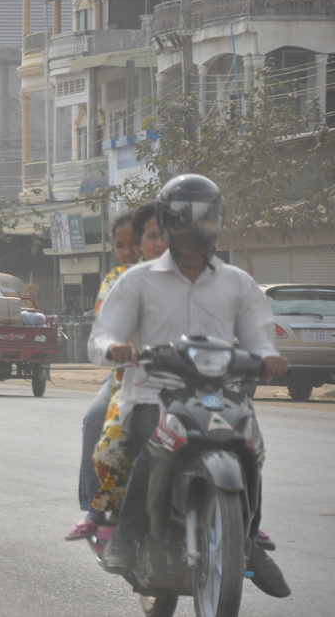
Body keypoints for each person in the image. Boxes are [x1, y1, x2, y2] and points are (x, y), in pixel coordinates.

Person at [88, 174, 290, 598]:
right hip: (150, 393)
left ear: (216, 222)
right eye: (186, 217)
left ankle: (247, 542)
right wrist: (116, 349)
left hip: (220, 394)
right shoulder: (137, 281)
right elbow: (100, 338)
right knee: (158, 442)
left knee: (252, 443)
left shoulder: (237, 282)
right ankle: (127, 536)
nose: (196, 225)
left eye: (205, 216)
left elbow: (258, 338)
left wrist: (268, 357)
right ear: (168, 220)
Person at [66, 205, 148, 540]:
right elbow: (103, 331)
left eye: (135, 244)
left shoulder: (178, 276)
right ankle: (95, 507)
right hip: (126, 375)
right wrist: (115, 348)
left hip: (179, 374)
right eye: (121, 245)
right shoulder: (116, 280)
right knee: (95, 417)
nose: (128, 252)